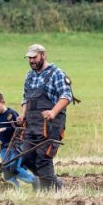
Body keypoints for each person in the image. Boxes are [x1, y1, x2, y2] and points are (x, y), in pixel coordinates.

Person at [17, 44, 73, 191]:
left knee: (43, 159)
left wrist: (53, 112)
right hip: (31, 126)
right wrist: (22, 114)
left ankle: (50, 193)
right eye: (29, 58)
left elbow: (67, 96)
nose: (31, 61)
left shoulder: (57, 73)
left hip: (50, 126)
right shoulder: (29, 76)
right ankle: (53, 185)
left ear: (43, 55)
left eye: (34, 57)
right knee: (25, 157)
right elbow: (25, 98)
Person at [0, 93, 37, 189]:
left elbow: (19, 129)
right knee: (6, 170)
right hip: (3, 147)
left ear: (3, 102)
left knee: (14, 168)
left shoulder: (11, 114)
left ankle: (34, 180)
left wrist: (5, 129)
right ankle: (15, 190)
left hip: (15, 146)